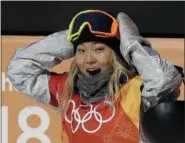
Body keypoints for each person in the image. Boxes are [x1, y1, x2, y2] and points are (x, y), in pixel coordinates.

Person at [7, 9, 182, 143]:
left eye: (99, 49)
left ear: (115, 54)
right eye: (81, 51)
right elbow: (19, 69)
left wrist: (130, 42)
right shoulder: (67, 90)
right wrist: (70, 40)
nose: (89, 59)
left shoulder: (135, 91)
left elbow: (164, 79)